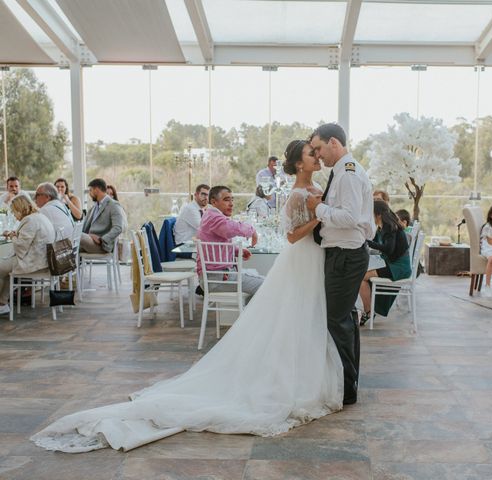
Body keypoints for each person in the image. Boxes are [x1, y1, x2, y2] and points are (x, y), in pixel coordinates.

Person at [31, 139, 343, 453]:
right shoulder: (298, 194)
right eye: (311, 154)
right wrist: (318, 218)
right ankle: (287, 378)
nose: (317, 156)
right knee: (292, 312)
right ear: (299, 163)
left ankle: (303, 372)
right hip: (300, 259)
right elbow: (291, 235)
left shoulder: (318, 187)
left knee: (304, 315)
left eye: (317, 152)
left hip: (313, 260)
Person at [306, 123, 375, 405]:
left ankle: (346, 387)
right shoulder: (344, 171)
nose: (318, 155)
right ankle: (348, 383)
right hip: (343, 253)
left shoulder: (347, 175)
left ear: (334, 142)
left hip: (346, 255)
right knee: (344, 319)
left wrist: (317, 209)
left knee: (336, 320)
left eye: (320, 148)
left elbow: (348, 217)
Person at [196, 186, 263, 298]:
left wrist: (237, 251)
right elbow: (231, 228)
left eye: (232, 199)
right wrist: (252, 231)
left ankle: (248, 314)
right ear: (213, 201)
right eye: (227, 200)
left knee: (261, 281)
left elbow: (216, 246)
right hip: (217, 280)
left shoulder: (210, 215)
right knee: (266, 285)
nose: (231, 204)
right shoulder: (214, 218)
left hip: (217, 277)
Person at [0, 196, 55, 315]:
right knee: (5, 269)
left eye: (14, 211)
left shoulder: (29, 220)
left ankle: (2, 303)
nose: (14, 215)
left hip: (33, 262)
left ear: (20, 209)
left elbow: (20, 247)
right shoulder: (39, 216)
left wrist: (11, 235)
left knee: (1, 268)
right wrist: (16, 235)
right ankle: (2, 303)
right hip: (41, 259)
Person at [358, 200, 411, 326]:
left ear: (378, 215)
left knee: (361, 277)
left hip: (398, 268)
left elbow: (388, 249)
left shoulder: (390, 228)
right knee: (363, 273)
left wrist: (367, 242)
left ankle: (369, 311)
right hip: (393, 264)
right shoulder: (385, 227)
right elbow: (376, 242)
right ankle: (370, 309)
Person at [81, 178, 126, 254]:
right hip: (90, 240)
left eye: (90, 190)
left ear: (96, 189)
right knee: (69, 242)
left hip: (102, 245)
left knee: (79, 237)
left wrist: (102, 239)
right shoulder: (95, 207)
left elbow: (118, 227)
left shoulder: (113, 205)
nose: (89, 193)